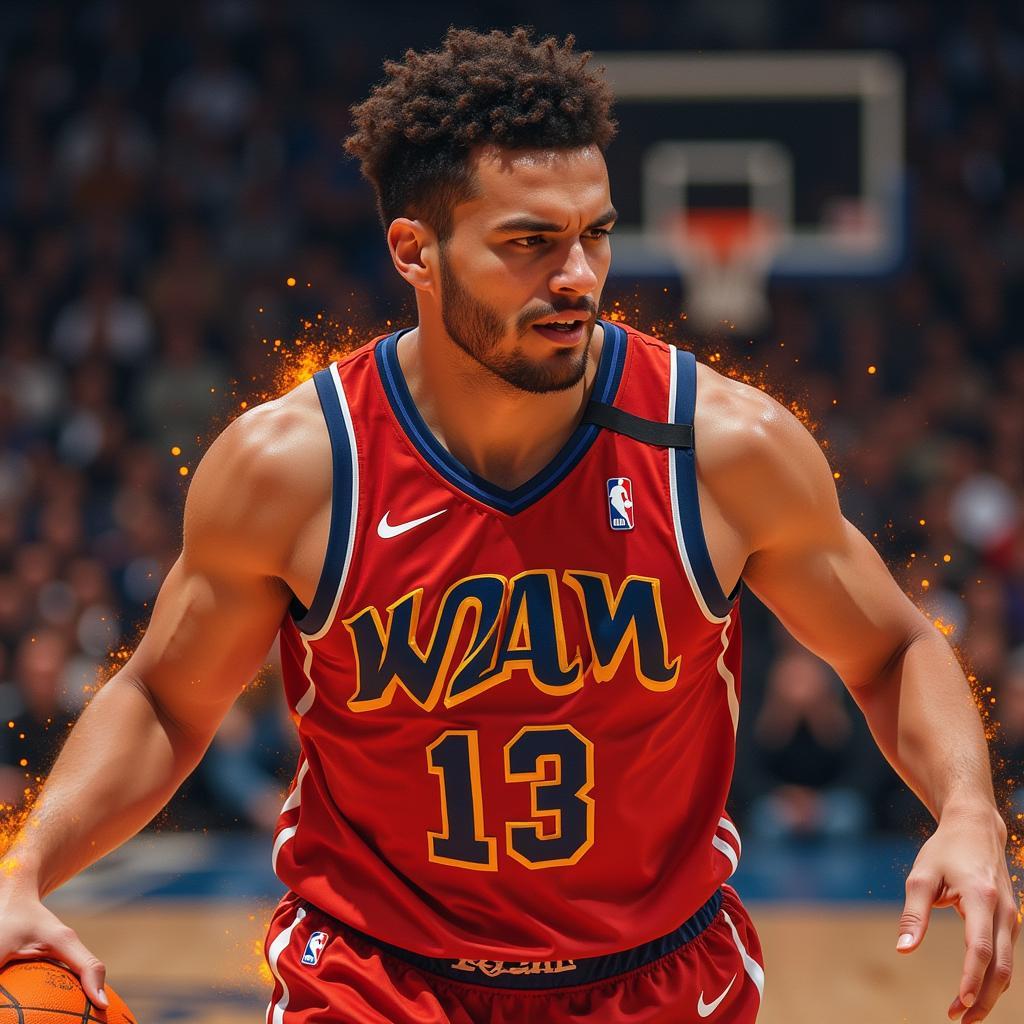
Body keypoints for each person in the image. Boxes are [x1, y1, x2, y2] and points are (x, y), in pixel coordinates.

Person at [0, 27, 1018, 1024]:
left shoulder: (720, 446)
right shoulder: (296, 466)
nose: (576, 273)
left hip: (653, 976)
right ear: (415, 250)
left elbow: (889, 648)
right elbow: (168, 699)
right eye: (530, 243)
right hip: (374, 979)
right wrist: (24, 869)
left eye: (596, 233)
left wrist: (967, 812)